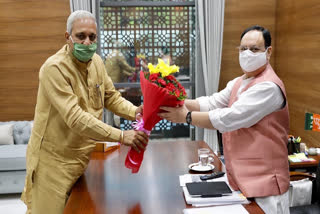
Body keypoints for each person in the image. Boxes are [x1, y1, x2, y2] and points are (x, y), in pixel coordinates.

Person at [21, 10, 149, 214]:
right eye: (81, 36)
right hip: (53, 163)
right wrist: (121, 136)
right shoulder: (53, 69)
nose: (87, 42)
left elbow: (110, 97)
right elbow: (76, 118)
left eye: (92, 37)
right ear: (68, 37)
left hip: (82, 158)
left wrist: (135, 112)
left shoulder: (97, 62)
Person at [159, 25, 290, 214]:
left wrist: (186, 117)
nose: (247, 54)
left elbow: (230, 118)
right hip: (241, 181)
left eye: (254, 49)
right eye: (243, 49)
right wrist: (175, 101)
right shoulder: (238, 82)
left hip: (266, 188)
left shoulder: (269, 87)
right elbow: (211, 103)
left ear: (268, 52)